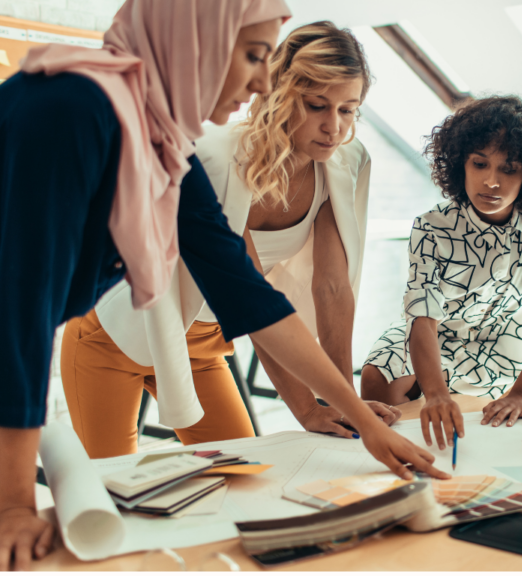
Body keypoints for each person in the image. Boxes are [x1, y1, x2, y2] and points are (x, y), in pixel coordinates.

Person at [0, 1, 444, 570]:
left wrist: (363, 423)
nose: (264, 81)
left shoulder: (161, 139)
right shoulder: (70, 109)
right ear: (194, 41)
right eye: (255, 55)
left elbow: (247, 293)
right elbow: (24, 303)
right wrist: (18, 504)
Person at [60, 21, 397, 458]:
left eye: (348, 109)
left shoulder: (345, 161)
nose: (333, 126)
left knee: (243, 477)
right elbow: (252, 300)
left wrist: (340, 402)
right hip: (111, 337)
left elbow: (332, 288)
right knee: (112, 495)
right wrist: (310, 409)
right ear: (279, 93)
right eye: (316, 105)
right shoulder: (217, 157)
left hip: (201, 345)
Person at [361, 96, 522, 450]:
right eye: (480, 164)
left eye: (508, 169)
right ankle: (409, 458)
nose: (491, 181)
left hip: (514, 335)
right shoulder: (431, 228)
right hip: (442, 332)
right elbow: (423, 316)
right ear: (460, 163)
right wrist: (434, 394)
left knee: (498, 421)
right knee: (376, 379)